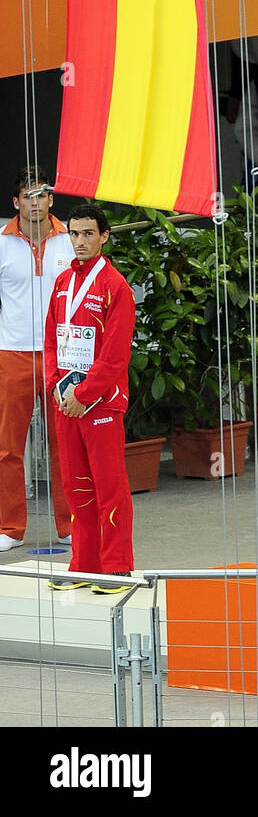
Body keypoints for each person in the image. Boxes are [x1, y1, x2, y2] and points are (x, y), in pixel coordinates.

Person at [44, 204, 136, 593]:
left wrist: (84, 394)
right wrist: (55, 386)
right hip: (67, 402)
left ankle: (117, 567)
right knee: (76, 486)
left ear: (104, 236)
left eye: (87, 234)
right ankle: (84, 563)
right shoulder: (63, 281)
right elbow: (50, 339)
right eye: (74, 234)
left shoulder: (116, 287)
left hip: (100, 403)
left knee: (108, 485)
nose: (80, 241)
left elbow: (115, 355)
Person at [0, 165, 73, 552]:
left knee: (66, 442)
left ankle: (70, 524)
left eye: (42, 193)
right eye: (27, 195)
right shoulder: (0, 242)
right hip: (11, 351)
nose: (35, 201)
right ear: (16, 202)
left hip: (61, 354)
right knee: (7, 445)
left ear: (51, 199)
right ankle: (10, 527)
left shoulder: (69, 241)